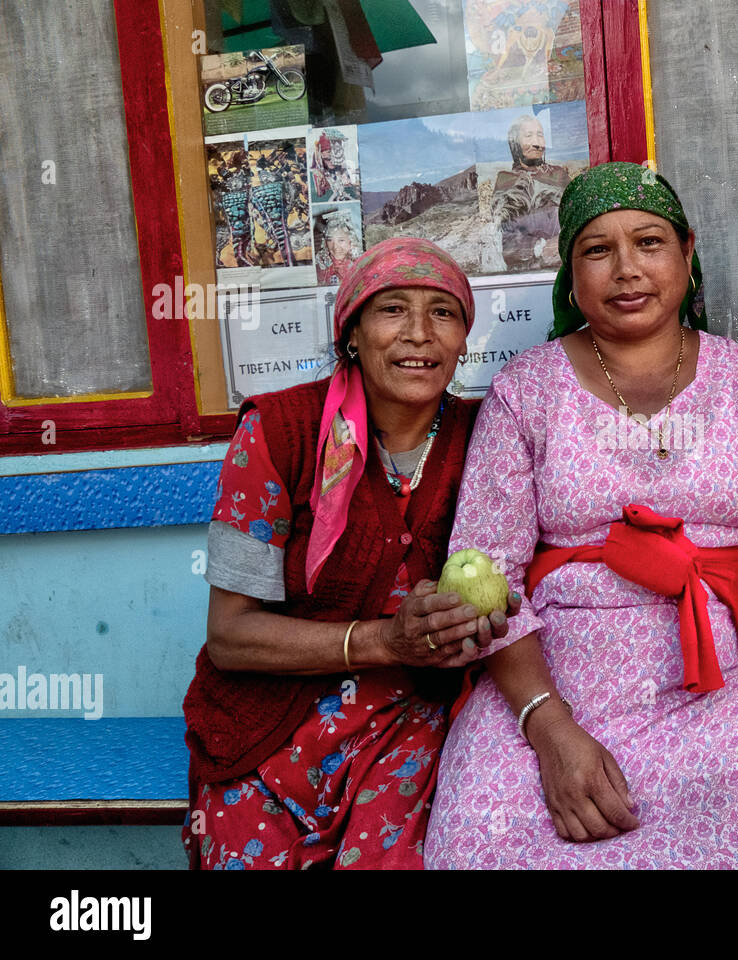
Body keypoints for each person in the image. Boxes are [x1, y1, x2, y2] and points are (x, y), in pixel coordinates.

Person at [423, 162, 738, 869]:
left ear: (687, 254)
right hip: (547, 688)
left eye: (649, 243)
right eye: (598, 250)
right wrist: (552, 732)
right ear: (571, 271)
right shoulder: (524, 392)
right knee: (480, 843)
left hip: (710, 689)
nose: (627, 269)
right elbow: (487, 580)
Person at [182, 237, 519, 869]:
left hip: (413, 720)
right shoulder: (278, 432)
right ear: (353, 334)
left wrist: (483, 618)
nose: (419, 334)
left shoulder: (491, 435)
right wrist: (385, 640)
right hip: (269, 723)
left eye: (443, 314)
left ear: (463, 340)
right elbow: (229, 635)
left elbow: (521, 578)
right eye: (392, 309)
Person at [492, 115, 570, 271]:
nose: (536, 143)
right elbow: (505, 233)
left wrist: (561, 241)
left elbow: (574, 216)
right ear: (515, 144)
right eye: (528, 136)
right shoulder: (505, 180)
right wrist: (539, 247)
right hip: (523, 268)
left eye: (540, 135)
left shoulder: (559, 175)